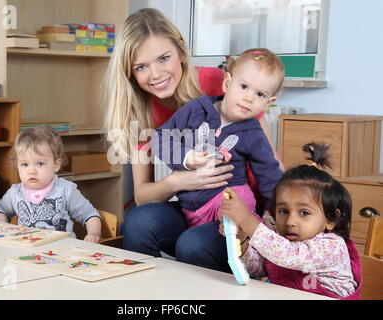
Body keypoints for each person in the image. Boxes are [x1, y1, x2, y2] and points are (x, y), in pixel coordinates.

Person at [103, 8, 281, 272]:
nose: (155, 74)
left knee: (193, 245)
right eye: (141, 66)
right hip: (193, 202)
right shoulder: (140, 109)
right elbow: (142, 195)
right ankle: (144, 295)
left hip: (240, 209)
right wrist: (180, 180)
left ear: (181, 49)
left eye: (164, 58)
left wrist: (278, 218)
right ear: (130, 72)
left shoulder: (222, 84)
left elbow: (270, 159)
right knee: (138, 222)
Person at [151, 48, 284, 228]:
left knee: (237, 203)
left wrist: (273, 210)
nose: (249, 98)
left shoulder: (253, 133)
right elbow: (160, 138)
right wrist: (186, 157)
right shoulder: (196, 109)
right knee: (148, 223)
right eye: (244, 86)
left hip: (226, 195)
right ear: (227, 83)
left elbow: (270, 173)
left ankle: (243, 228)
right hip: (190, 205)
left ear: (267, 103)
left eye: (260, 94)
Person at [220, 142, 362, 299]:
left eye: (304, 212)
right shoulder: (280, 240)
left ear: (331, 219)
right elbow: (259, 269)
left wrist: (246, 219)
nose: (290, 221)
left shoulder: (331, 246)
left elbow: (286, 255)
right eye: (283, 211)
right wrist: (242, 238)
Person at [0, 126, 102, 243]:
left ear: (56, 164)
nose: (31, 171)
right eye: (25, 164)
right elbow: (1, 211)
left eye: (40, 164)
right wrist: (3, 229)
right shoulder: (15, 192)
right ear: (17, 165)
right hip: (27, 251)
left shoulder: (65, 190)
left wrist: (93, 233)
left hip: (61, 251)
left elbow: (90, 215)